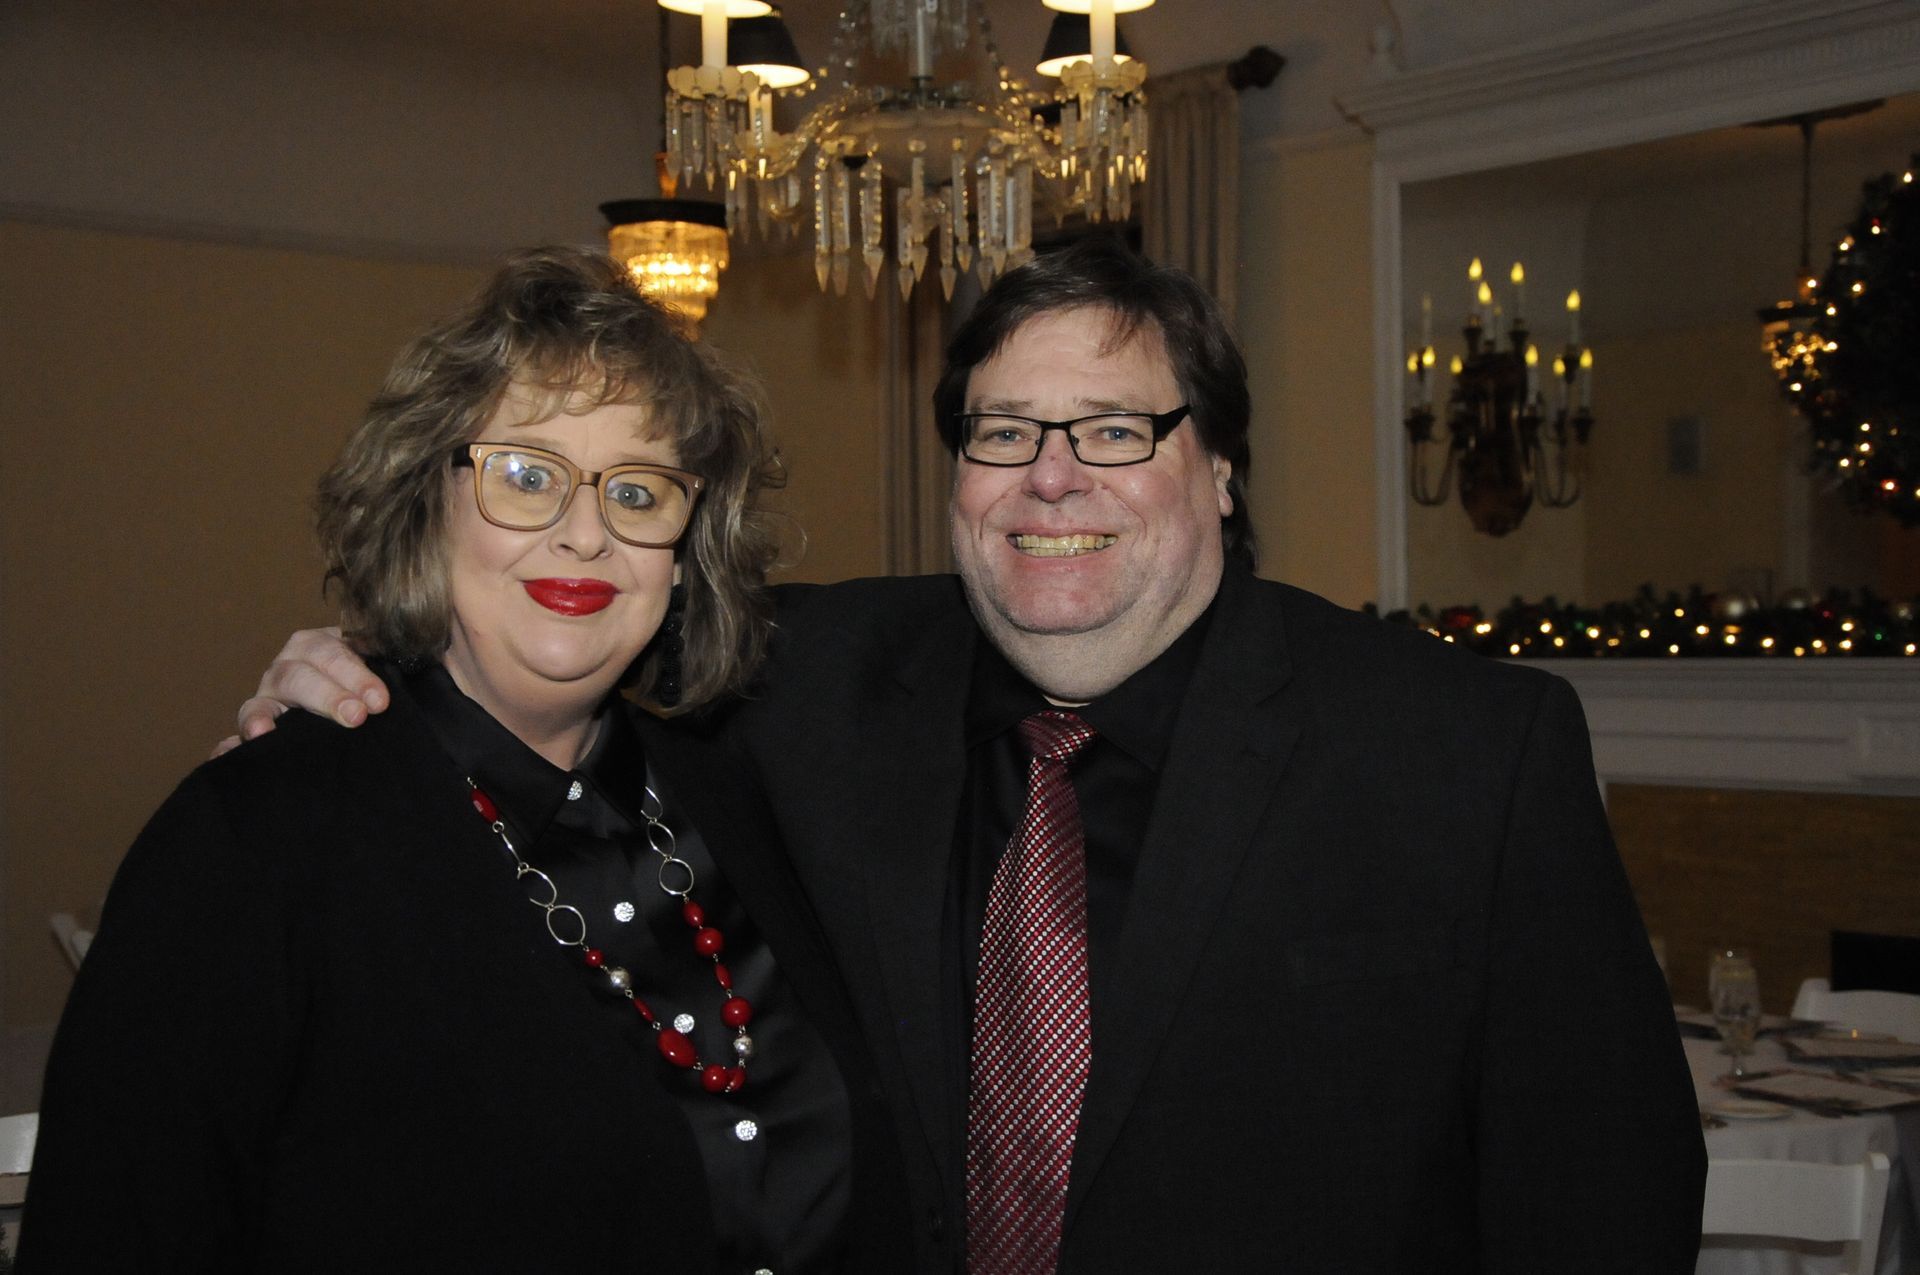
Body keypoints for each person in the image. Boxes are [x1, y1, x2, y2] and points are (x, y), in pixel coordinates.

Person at [229, 238, 1706, 1273]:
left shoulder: (1461, 750)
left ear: (1221, 467)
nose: (1052, 475)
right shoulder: (800, 684)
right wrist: (376, 672)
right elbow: (559, 626)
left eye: (1117, 427)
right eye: (1004, 429)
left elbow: (1604, 1203)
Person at [22, 247, 906, 1273]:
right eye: (526, 477)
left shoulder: (753, 790)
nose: (585, 535)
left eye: (637, 491)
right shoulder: (254, 843)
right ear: (423, 496)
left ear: (684, 542)